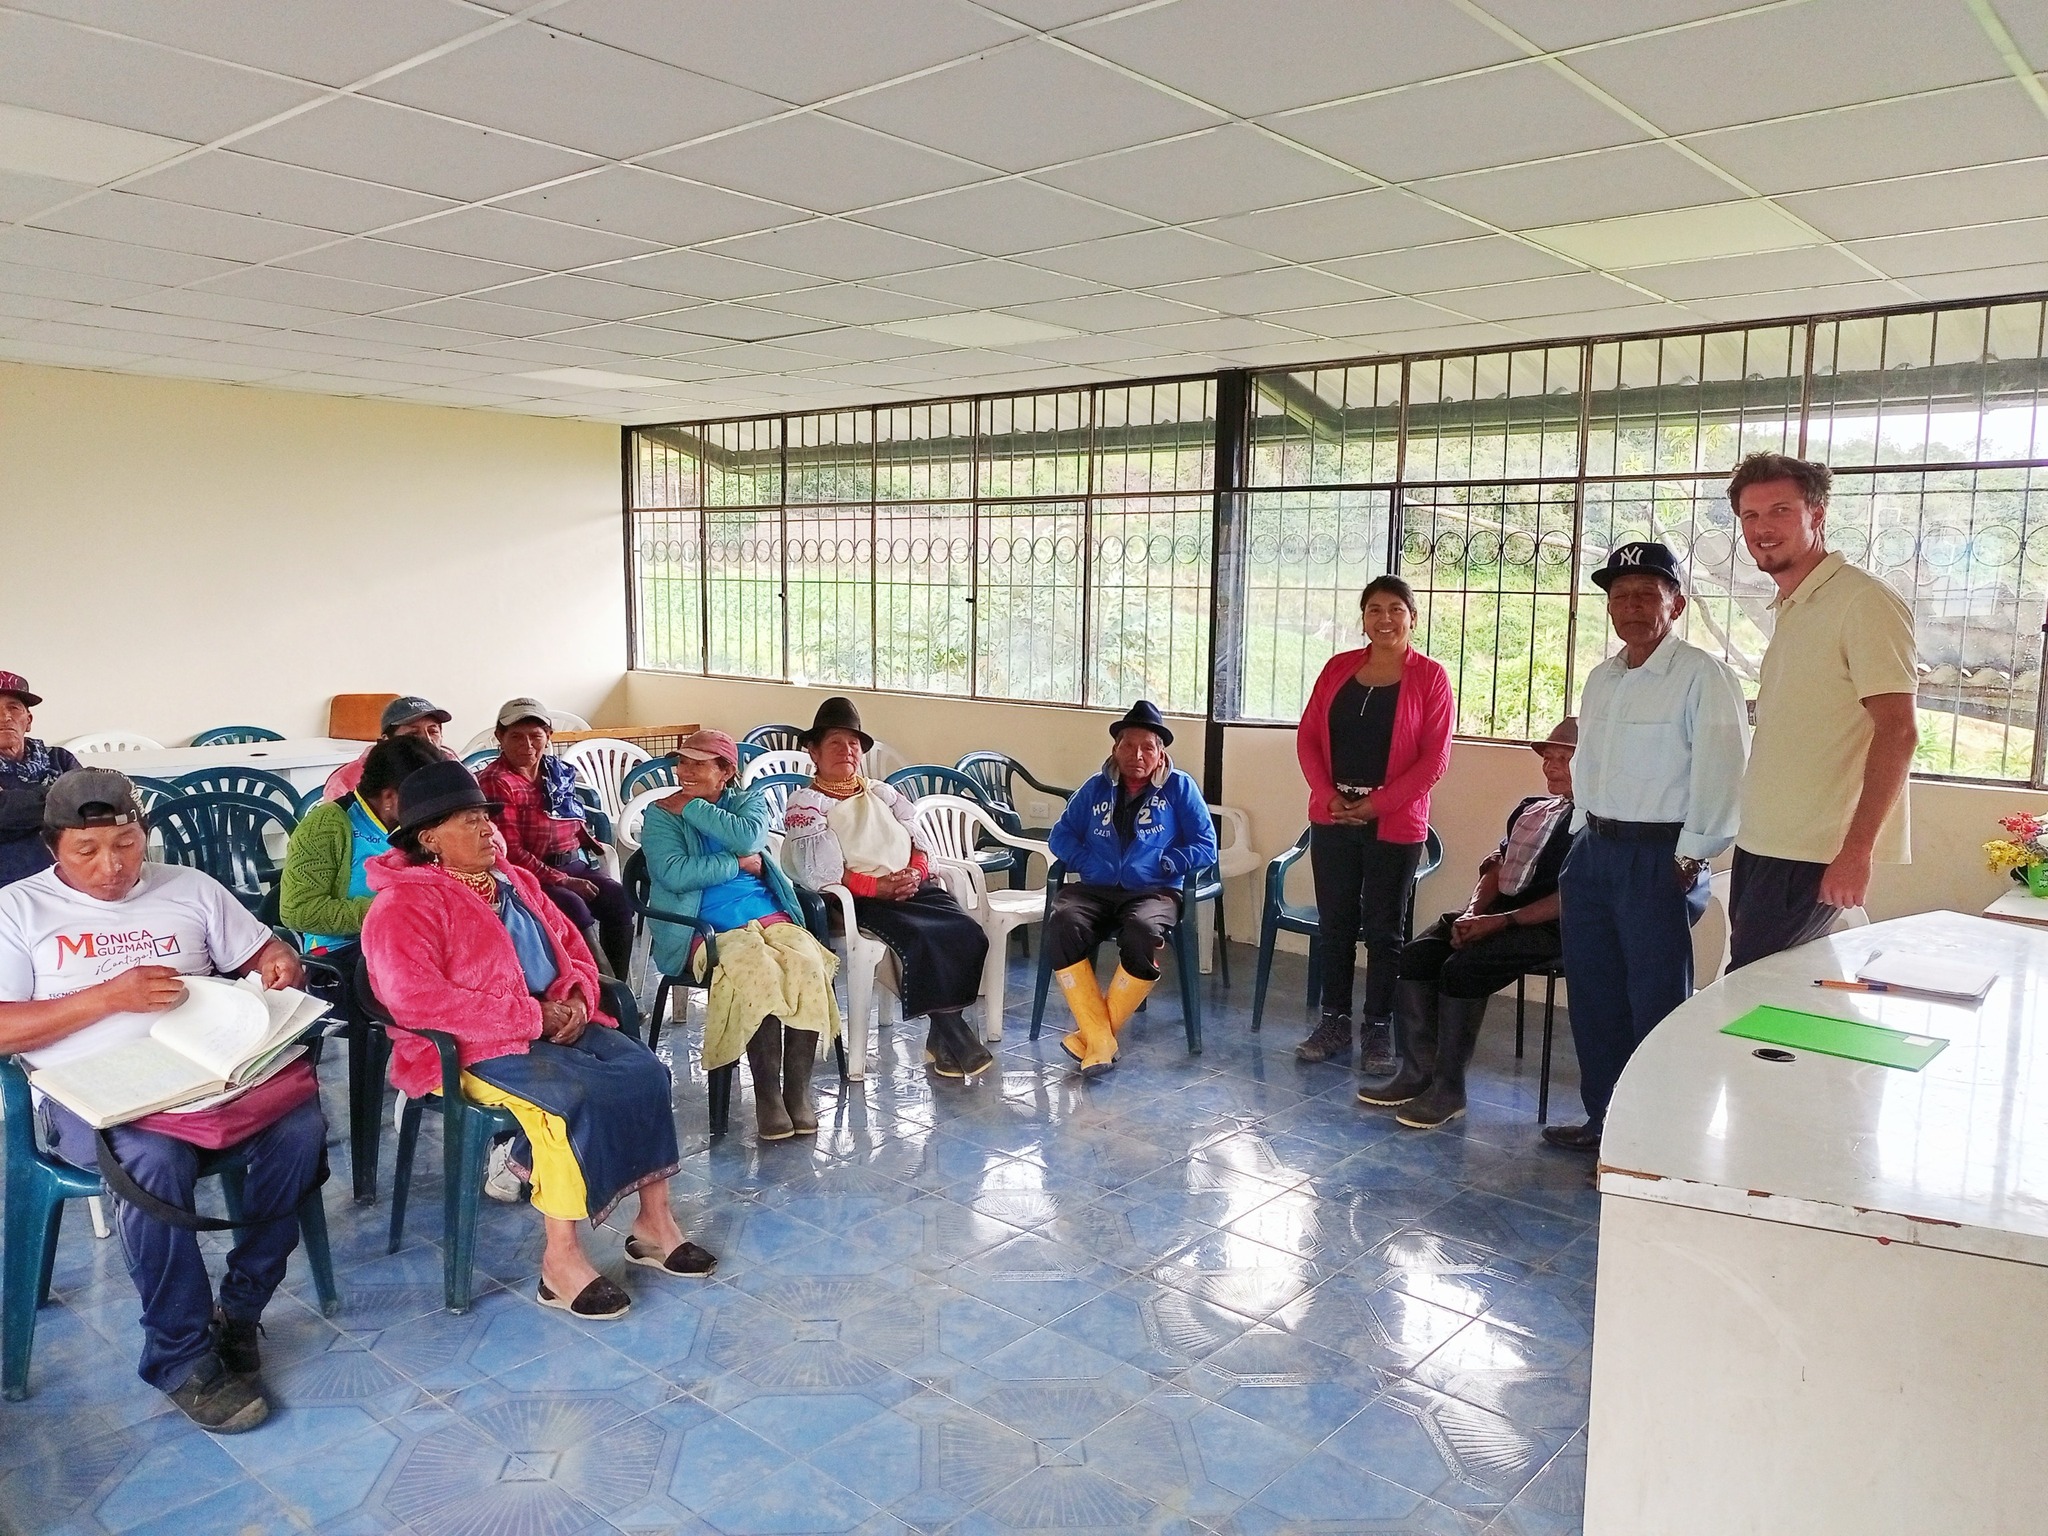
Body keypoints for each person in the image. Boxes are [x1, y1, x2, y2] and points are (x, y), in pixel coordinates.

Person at [0, 769, 320, 1434]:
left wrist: (278, 959)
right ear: (53, 846)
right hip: (98, 1094)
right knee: (152, 1160)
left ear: (143, 835)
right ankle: (179, 1354)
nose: (111, 866)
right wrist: (104, 998)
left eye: (125, 844)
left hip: (205, 1075)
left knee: (300, 1127)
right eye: (87, 851)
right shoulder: (18, 910)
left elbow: (259, 950)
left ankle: (241, 1308)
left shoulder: (190, 888)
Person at [361, 761, 713, 1320]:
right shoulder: (402, 905)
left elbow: (573, 948)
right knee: (566, 1102)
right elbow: (416, 1001)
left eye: (486, 817)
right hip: (472, 1047)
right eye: (468, 820)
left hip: (551, 1023)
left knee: (647, 1072)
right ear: (429, 838)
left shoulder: (514, 882)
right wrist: (531, 1017)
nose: (487, 828)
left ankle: (654, 1223)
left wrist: (577, 999)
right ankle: (560, 1261)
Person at [1546, 542, 1750, 1155]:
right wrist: (1579, 835)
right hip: (1594, 852)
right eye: (1619, 597)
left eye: (1646, 595)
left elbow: (1724, 769)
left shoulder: (1702, 675)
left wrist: (1692, 855)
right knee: (1594, 995)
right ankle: (1604, 1123)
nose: (1631, 606)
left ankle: (1654, 1140)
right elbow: (1590, 764)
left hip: (1659, 856)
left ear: (1676, 605)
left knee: (1655, 1002)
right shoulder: (1602, 679)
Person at [1727, 452, 1918, 968]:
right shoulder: (1794, 605)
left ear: (1817, 513)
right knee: (1769, 985)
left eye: (1781, 511)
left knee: (1755, 987)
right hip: (1764, 838)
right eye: (1750, 515)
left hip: (1813, 850)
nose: (1763, 528)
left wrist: (1856, 852)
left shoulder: (1863, 601)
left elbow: (1898, 732)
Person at [1363, 719, 1579, 1129]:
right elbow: (1496, 866)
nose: (1551, 767)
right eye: (1548, 758)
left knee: (1463, 969)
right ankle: (1417, 1073)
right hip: (1497, 914)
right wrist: (1472, 913)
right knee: (1417, 956)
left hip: (1551, 926)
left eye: (1563, 759)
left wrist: (1500, 922)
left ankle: (1449, 1090)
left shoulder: (1596, 824)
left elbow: (1573, 898)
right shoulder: (1531, 809)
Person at [641, 729, 839, 1141]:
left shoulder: (747, 802)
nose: (684, 771)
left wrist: (693, 806)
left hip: (769, 916)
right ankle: (767, 1096)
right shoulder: (661, 814)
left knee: (807, 964)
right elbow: (675, 874)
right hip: (704, 928)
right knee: (756, 973)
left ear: (726, 772)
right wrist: (737, 864)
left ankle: (797, 1091)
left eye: (698, 764)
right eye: (682, 762)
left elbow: (750, 837)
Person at [1293, 576, 1456, 1076]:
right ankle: (1334, 1022)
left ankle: (1378, 1029)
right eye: (1374, 610)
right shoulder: (1337, 668)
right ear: (1363, 618)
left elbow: (1434, 760)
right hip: (1333, 815)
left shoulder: (1431, 678)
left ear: (1413, 617)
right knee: (1336, 925)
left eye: (1395, 609)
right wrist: (1328, 795)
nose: (1385, 619)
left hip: (1395, 822)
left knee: (1385, 931)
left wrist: (1376, 805)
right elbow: (1308, 737)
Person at [780, 697, 993, 1079]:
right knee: (920, 940)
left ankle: (941, 1038)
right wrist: (875, 887)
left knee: (968, 933)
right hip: (859, 900)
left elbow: (920, 842)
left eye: (853, 744)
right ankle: (954, 1034)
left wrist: (915, 872)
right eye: (835, 743)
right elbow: (820, 873)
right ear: (813, 752)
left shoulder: (882, 793)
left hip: (910, 889)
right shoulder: (807, 804)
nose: (847, 751)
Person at [1043, 701, 1219, 1079]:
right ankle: (1100, 1040)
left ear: (1160, 753)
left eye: (1147, 748)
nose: (1137, 755)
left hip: (1154, 891)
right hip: (1096, 888)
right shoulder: (1095, 788)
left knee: (1142, 932)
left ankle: (1092, 1038)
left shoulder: (1179, 787)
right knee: (1063, 921)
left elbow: (1206, 846)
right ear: (1115, 748)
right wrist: (1087, 862)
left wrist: (1169, 863)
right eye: (1128, 746)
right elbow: (1060, 835)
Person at [475, 698, 633, 981]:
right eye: (516, 737)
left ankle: (618, 984)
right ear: (499, 737)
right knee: (573, 905)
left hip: (573, 864)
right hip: (527, 875)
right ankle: (607, 992)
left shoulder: (555, 771)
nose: (527, 745)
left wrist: (590, 848)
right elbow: (511, 852)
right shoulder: (497, 780)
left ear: (548, 736)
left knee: (617, 898)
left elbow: (571, 815)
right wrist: (562, 880)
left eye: (536, 736)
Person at [281, 734, 443, 956]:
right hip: (344, 953)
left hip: (411, 941)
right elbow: (297, 910)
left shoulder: (416, 823)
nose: (430, 806)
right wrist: (390, 911)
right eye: (421, 797)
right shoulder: (325, 826)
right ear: (389, 797)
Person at [0, 671, 82, 889]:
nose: (5, 717)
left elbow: (85, 805)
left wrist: (12, 804)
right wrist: (58, 798)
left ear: (28, 721)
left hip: (67, 877)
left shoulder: (60, 758)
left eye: (13, 708)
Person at [322, 695, 455, 802]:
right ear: (386, 740)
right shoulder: (345, 780)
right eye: (413, 734)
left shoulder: (454, 769)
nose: (427, 739)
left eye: (433, 731)